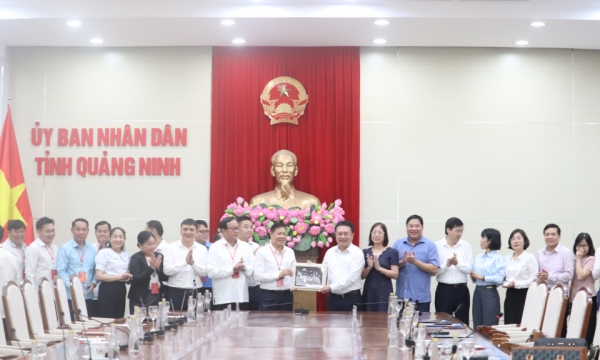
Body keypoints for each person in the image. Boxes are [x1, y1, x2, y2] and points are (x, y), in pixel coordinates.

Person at [392, 215, 439, 313]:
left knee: (420, 327)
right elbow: (392, 268)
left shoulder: (430, 245)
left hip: (421, 299)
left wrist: (415, 262)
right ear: (406, 227)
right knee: (399, 327)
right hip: (401, 298)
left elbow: (434, 269)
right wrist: (403, 262)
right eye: (411, 226)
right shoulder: (398, 244)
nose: (414, 229)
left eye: (417, 226)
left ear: (422, 227)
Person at [207, 217, 255, 311]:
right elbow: (211, 272)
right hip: (223, 298)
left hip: (241, 297)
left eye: (237, 228)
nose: (236, 231)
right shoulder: (215, 248)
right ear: (223, 231)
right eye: (233, 228)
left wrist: (243, 268)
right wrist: (232, 270)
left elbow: (253, 270)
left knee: (242, 324)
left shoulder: (245, 246)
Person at [163, 219, 208, 311]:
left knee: (196, 321)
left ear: (196, 232)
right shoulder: (171, 248)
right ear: (180, 231)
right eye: (185, 229)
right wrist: (185, 262)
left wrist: (192, 263)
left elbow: (205, 272)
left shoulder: (202, 249)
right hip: (175, 291)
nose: (188, 232)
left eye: (191, 229)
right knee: (175, 321)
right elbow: (167, 270)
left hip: (196, 292)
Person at [250, 149, 320, 208]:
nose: (285, 170)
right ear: (273, 171)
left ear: (295, 171)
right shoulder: (258, 202)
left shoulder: (312, 203)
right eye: (279, 165)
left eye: (289, 165)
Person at [56, 218, 98, 318]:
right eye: (78, 229)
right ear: (72, 230)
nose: (81, 232)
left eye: (84, 229)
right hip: (71, 297)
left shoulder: (92, 249)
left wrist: (94, 282)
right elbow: (61, 271)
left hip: (88, 296)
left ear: (88, 231)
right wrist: (73, 287)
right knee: (73, 326)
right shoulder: (65, 248)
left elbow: (95, 270)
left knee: (88, 326)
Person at [434, 217, 472, 324]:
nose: (459, 234)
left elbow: (469, 269)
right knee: (442, 323)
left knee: (463, 323)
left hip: (462, 290)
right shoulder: (437, 246)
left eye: (461, 231)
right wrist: (447, 265)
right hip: (444, 290)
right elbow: (434, 271)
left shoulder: (466, 245)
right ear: (448, 230)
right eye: (457, 231)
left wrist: (457, 264)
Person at [320, 220, 364, 311]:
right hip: (332, 299)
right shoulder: (330, 252)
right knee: (332, 325)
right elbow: (322, 271)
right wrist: (312, 269)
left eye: (346, 234)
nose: (342, 236)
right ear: (335, 235)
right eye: (339, 234)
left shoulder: (357, 253)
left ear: (352, 235)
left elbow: (351, 278)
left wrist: (331, 287)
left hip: (351, 299)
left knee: (351, 325)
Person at [254, 222, 296, 311]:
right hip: (268, 296)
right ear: (271, 234)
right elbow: (257, 276)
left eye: (284, 234)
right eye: (279, 233)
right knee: (268, 323)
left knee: (287, 323)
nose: (282, 236)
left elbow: (295, 272)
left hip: (287, 295)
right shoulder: (262, 252)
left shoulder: (290, 251)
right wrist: (279, 275)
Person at [563, 233, 596, 344]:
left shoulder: (591, 259)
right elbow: (572, 281)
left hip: (589, 299)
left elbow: (581, 276)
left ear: (589, 246)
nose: (581, 248)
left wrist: (578, 258)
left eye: (584, 245)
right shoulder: (573, 260)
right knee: (575, 328)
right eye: (579, 245)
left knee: (588, 328)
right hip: (574, 298)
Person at [470, 228, 505, 328]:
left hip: (489, 292)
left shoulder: (498, 258)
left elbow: (499, 278)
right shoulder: (478, 257)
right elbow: (474, 276)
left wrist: (483, 277)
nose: (480, 240)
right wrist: (474, 277)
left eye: (483, 237)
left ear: (490, 240)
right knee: (477, 324)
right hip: (477, 291)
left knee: (489, 325)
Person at [502, 229, 538, 325]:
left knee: (522, 323)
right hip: (510, 294)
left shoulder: (530, 257)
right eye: (512, 239)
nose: (515, 241)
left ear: (524, 241)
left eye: (519, 238)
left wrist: (517, 284)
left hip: (525, 294)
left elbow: (534, 278)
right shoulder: (506, 258)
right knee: (509, 322)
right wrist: (506, 284)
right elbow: (503, 277)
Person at [360, 222, 399, 312]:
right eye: (374, 232)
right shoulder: (365, 252)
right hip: (369, 290)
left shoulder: (392, 252)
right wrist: (369, 268)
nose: (376, 235)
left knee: (384, 318)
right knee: (367, 318)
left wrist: (379, 268)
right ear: (371, 235)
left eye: (380, 232)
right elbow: (362, 276)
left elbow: (395, 274)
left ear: (385, 235)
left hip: (385, 290)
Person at [95, 227, 131, 318]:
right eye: (115, 236)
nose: (118, 239)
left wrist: (128, 278)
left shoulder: (127, 255)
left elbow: (127, 279)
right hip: (107, 289)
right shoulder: (104, 253)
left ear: (124, 239)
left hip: (121, 289)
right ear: (110, 239)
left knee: (119, 319)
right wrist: (120, 277)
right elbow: (99, 276)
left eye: (121, 237)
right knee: (107, 320)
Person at [128, 231, 168, 314]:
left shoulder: (159, 256)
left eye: (154, 243)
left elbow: (165, 278)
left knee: (155, 321)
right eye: (149, 244)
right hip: (140, 297)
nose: (152, 246)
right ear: (140, 245)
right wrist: (151, 268)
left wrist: (157, 268)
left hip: (157, 295)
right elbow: (136, 279)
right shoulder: (136, 258)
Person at [535, 224, 574, 288]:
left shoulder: (566, 252)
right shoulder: (539, 253)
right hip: (541, 292)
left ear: (559, 237)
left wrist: (549, 276)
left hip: (559, 293)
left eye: (553, 234)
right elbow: (536, 274)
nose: (549, 237)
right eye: (547, 234)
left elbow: (569, 275)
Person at [237, 215, 262, 310]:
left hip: (255, 287)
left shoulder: (255, 245)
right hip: (240, 287)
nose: (250, 230)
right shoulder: (234, 246)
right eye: (246, 227)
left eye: (251, 227)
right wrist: (253, 254)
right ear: (237, 229)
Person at [25, 217, 59, 286]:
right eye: (48, 231)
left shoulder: (54, 246)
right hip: (40, 291)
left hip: (53, 289)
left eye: (53, 231)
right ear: (38, 232)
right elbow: (30, 273)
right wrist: (32, 293)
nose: (51, 234)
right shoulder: (33, 248)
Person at [195, 220, 213, 295]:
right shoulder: (190, 248)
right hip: (195, 284)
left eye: (207, 231)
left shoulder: (213, 247)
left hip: (210, 284)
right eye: (202, 232)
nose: (205, 234)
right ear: (194, 232)